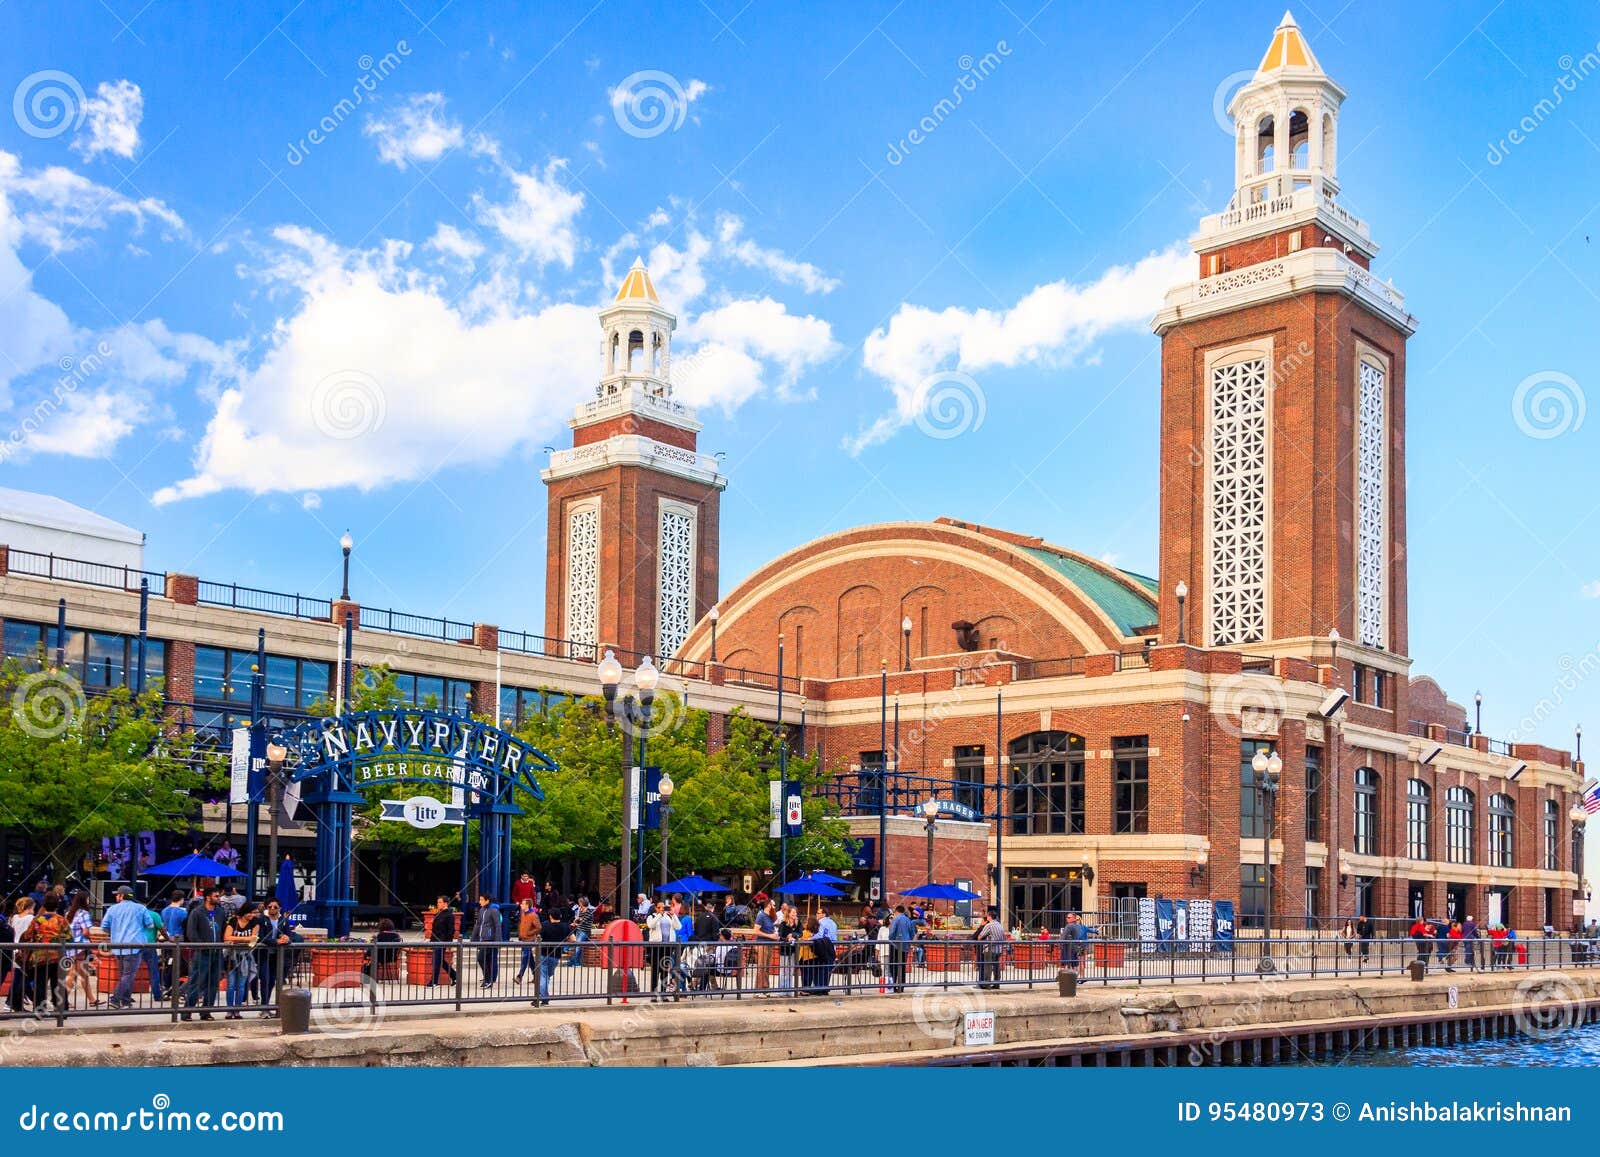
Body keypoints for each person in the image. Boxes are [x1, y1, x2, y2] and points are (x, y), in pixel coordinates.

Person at [101, 886, 159, 1010]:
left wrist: (116, 932)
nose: (116, 896)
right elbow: (150, 925)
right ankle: (116, 999)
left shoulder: (112, 909)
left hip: (117, 946)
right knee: (128, 975)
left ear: (122, 896)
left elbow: (104, 927)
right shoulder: (141, 908)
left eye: (117, 894)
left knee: (124, 974)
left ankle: (125, 1000)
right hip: (134, 946)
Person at [21, 894, 70, 1014]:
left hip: (39, 956)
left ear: (44, 905)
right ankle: (61, 1010)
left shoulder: (37, 919)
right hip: (58, 956)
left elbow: (27, 936)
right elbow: (69, 937)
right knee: (57, 984)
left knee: (40, 984)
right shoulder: (61, 920)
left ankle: (39, 1010)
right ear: (57, 906)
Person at [181, 888, 223, 1020]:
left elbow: (222, 930)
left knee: (213, 983)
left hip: (217, 952)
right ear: (207, 897)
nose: (218, 898)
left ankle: (206, 1011)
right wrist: (202, 945)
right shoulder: (197, 912)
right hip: (202, 952)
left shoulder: (220, 912)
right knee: (196, 982)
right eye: (216, 896)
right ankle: (187, 1011)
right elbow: (191, 933)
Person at [255, 898, 295, 1012]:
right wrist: (276, 941)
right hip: (264, 954)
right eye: (270, 907)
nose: (272, 909)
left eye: (275, 907)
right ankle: (264, 1006)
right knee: (265, 979)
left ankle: (268, 1005)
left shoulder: (284, 920)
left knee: (272, 980)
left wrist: (286, 939)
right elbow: (261, 937)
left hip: (277, 955)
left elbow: (290, 935)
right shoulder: (262, 920)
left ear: (280, 908)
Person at [62, 892, 99, 1010]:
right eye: (88, 899)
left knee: (83, 974)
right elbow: (86, 931)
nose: (89, 901)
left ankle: (92, 1000)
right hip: (80, 947)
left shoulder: (69, 913)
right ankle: (63, 1001)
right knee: (73, 974)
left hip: (70, 946)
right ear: (84, 900)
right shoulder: (84, 913)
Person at [223, 903, 260, 1019]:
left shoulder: (255, 923)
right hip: (231, 957)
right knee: (231, 985)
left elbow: (253, 941)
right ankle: (229, 1010)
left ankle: (237, 1010)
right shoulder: (234, 921)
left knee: (241, 985)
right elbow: (226, 937)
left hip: (246, 957)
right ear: (245, 911)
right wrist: (245, 939)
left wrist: (236, 940)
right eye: (251, 912)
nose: (252, 915)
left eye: (254, 913)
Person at [535, 907, 573, 1006]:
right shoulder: (565, 926)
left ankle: (543, 998)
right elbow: (573, 939)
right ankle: (542, 996)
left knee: (544, 976)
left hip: (543, 953)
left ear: (550, 916)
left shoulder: (544, 925)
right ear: (560, 916)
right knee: (548, 976)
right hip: (556, 955)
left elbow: (537, 939)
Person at [646, 900, 677, 998]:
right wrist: (659, 914)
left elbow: (678, 926)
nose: (662, 909)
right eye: (659, 907)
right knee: (655, 971)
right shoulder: (651, 917)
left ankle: (663, 994)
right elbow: (651, 925)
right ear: (656, 908)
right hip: (655, 947)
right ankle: (653, 994)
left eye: (663, 907)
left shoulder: (668, 917)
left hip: (667, 947)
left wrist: (673, 915)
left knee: (664, 972)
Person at [426, 895, 457, 987]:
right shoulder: (438, 914)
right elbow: (434, 928)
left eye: (440, 902)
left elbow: (451, 930)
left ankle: (434, 982)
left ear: (445, 903)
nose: (438, 904)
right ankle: (454, 975)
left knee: (436, 961)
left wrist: (448, 942)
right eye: (437, 902)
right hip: (435, 940)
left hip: (442, 941)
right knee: (439, 961)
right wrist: (431, 940)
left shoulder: (450, 915)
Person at [751, 899, 780, 993]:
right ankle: (759, 990)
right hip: (762, 943)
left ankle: (765, 988)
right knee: (761, 967)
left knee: (766, 967)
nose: (775, 907)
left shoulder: (770, 916)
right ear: (769, 906)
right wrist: (770, 935)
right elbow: (756, 930)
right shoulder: (761, 915)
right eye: (774, 905)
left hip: (769, 943)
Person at [474, 894, 502, 987]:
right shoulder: (481, 910)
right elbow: (478, 925)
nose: (480, 901)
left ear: (487, 901)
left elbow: (497, 925)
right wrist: (473, 938)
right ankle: (488, 979)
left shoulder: (493, 911)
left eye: (482, 900)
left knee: (481, 958)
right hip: (482, 939)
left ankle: (488, 979)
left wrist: (497, 941)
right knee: (485, 959)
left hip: (490, 940)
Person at [974, 906, 1005, 990]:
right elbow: (1003, 936)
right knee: (996, 967)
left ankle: (987, 984)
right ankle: (997, 983)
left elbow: (980, 937)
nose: (987, 917)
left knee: (988, 966)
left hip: (989, 948)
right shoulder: (1000, 925)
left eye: (987, 916)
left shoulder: (989, 925)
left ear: (990, 916)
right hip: (999, 949)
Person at [887, 905, 916, 993]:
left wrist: (890, 940)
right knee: (902, 966)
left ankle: (894, 986)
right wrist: (908, 940)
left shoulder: (896, 919)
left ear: (896, 911)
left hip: (895, 945)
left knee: (893, 966)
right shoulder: (908, 920)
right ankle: (902, 986)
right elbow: (912, 933)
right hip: (905, 946)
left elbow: (892, 932)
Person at [513, 898, 541, 983]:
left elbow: (539, 927)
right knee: (529, 958)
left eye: (523, 904)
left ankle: (519, 976)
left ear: (527, 905)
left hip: (529, 939)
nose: (521, 905)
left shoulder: (533, 915)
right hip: (523, 939)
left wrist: (529, 933)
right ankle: (536, 975)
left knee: (525, 957)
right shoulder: (523, 913)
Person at [775, 904, 801, 991]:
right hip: (784, 949)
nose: (795, 914)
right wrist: (787, 938)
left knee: (790, 970)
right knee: (783, 970)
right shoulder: (783, 923)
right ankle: (781, 990)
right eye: (793, 912)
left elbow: (800, 933)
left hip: (794, 949)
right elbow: (780, 936)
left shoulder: (798, 923)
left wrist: (793, 934)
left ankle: (789, 989)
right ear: (789, 913)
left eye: (796, 913)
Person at [565, 896, 593, 966]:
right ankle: (578, 962)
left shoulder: (589, 911)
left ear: (582, 903)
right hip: (579, 930)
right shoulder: (581, 910)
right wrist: (575, 922)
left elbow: (584, 920)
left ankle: (571, 962)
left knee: (577, 946)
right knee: (579, 947)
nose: (578, 903)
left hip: (584, 931)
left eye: (579, 902)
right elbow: (578, 920)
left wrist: (579, 920)